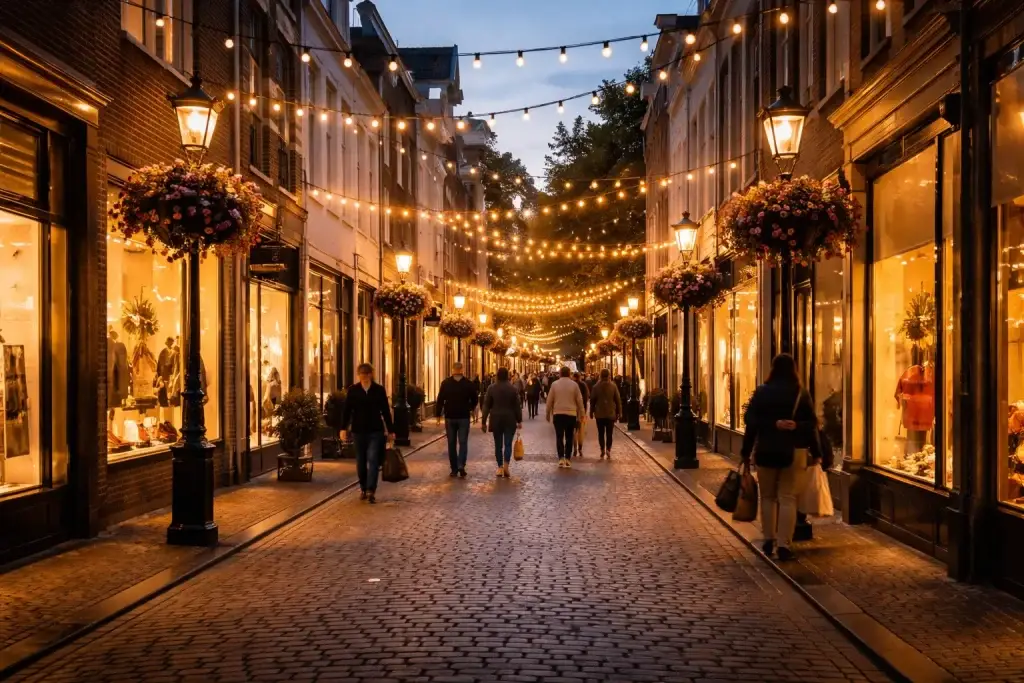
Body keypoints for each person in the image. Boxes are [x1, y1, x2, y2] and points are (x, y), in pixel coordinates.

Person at [741, 353, 819, 561]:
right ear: (794, 370)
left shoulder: (762, 392)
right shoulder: (800, 393)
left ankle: (768, 538)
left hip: (765, 449)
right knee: (788, 498)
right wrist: (799, 429)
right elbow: (812, 424)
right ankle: (784, 544)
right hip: (794, 452)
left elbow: (750, 421)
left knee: (767, 496)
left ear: (772, 370)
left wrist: (745, 452)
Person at [340, 363, 395, 504]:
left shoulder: (379, 390)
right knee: (361, 461)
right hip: (358, 431)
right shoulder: (353, 390)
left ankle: (371, 490)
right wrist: (343, 428)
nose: (363, 377)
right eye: (361, 374)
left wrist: (391, 430)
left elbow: (385, 411)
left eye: (366, 374)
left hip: (375, 431)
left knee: (373, 459)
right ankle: (363, 487)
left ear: (371, 374)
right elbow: (347, 410)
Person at [435, 362, 478, 478]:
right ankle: (461, 465)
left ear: (452, 369)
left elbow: (440, 400)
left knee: (451, 443)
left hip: (450, 416)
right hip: (463, 416)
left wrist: (438, 415)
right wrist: (471, 408)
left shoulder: (445, 383)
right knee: (463, 442)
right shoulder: (468, 384)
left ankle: (454, 469)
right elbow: (474, 399)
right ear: (462, 370)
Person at [481, 367, 523, 478]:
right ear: (508, 376)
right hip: (510, 419)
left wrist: (483, 421)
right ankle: (506, 465)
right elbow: (517, 407)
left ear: (497, 376)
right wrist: (519, 420)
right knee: (508, 444)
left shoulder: (491, 388)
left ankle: (499, 467)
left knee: (498, 444)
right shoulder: (513, 389)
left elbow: (486, 406)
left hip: (496, 419)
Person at [546, 366, 585, 468]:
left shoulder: (554, 385)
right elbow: (579, 401)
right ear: (569, 374)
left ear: (560, 373)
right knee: (569, 437)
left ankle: (560, 458)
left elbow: (549, 400)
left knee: (559, 436)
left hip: (558, 414)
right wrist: (582, 414)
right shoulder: (574, 385)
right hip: (571, 414)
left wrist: (547, 414)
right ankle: (567, 458)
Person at [590, 369, 622, 458]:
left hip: (599, 414)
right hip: (610, 413)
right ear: (609, 375)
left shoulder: (596, 387)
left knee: (601, 433)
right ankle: (608, 449)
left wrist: (591, 412)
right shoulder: (613, 386)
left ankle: (602, 449)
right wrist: (619, 412)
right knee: (609, 433)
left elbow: (592, 400)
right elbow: (618, 400)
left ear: (600, 375)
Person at [572, 372, 591, 457]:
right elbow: (586, 397)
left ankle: (575, 448)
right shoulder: (583, 385)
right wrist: (585, 410)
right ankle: (580, 448)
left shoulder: (572, 385)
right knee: (581, 431)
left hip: (572, 410)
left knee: (574, 431)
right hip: (581, 411)